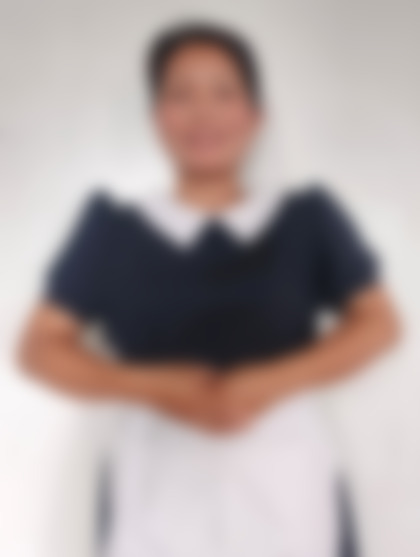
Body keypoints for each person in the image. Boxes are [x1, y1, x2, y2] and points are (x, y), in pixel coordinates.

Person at [19, 23, 399, 557]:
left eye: (223, 93)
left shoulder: (307, 219)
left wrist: (262, 382)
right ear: (157, 116)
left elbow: (378, 322)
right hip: (155, 471)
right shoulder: (113, 229)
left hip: (286, 471)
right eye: (181, 95)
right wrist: (157, 384)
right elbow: (40, 347)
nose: (204, 114)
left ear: (256, 114)